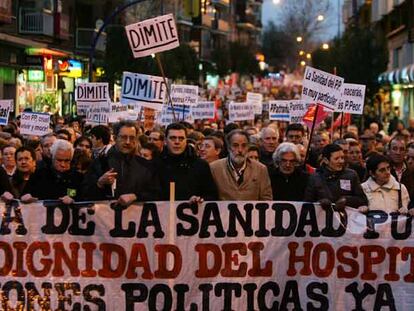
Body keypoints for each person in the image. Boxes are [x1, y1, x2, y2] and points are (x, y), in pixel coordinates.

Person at [83, 121, 160, 205]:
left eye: (132, 138)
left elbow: (155, 193)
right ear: (115, 138)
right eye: (123, 137)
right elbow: (84, 193)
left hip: (135, 216)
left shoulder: (145, 165)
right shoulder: (99, 163)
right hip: (106, 216)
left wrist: (136, 196)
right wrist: (99, 183)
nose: (127, 142)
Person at [155, 122, 217, 202]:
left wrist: (199, 199)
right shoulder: (154, 164)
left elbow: (212, 195)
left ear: (186, 140)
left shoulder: (200, 165)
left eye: (181, 138)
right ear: (165, 140)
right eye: (173, 138)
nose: (177, 142)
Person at [210, 129, 272, 200]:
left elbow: (266, 198)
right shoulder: (215, 168)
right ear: (228, 148)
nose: (240, 150)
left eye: (244, 145)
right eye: (235, 145)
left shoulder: (260, 169)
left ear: (248, 147)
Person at [304, 144, 368, 210]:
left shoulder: (351, 175)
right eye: (336, 159)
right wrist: (319, 203)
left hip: (346, 217)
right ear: (326, 160)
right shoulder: (315, 178)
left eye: (342, 158)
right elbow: (307, 203)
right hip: (323, 217)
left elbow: (363, 200)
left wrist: (347, 200)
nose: (341, 161)